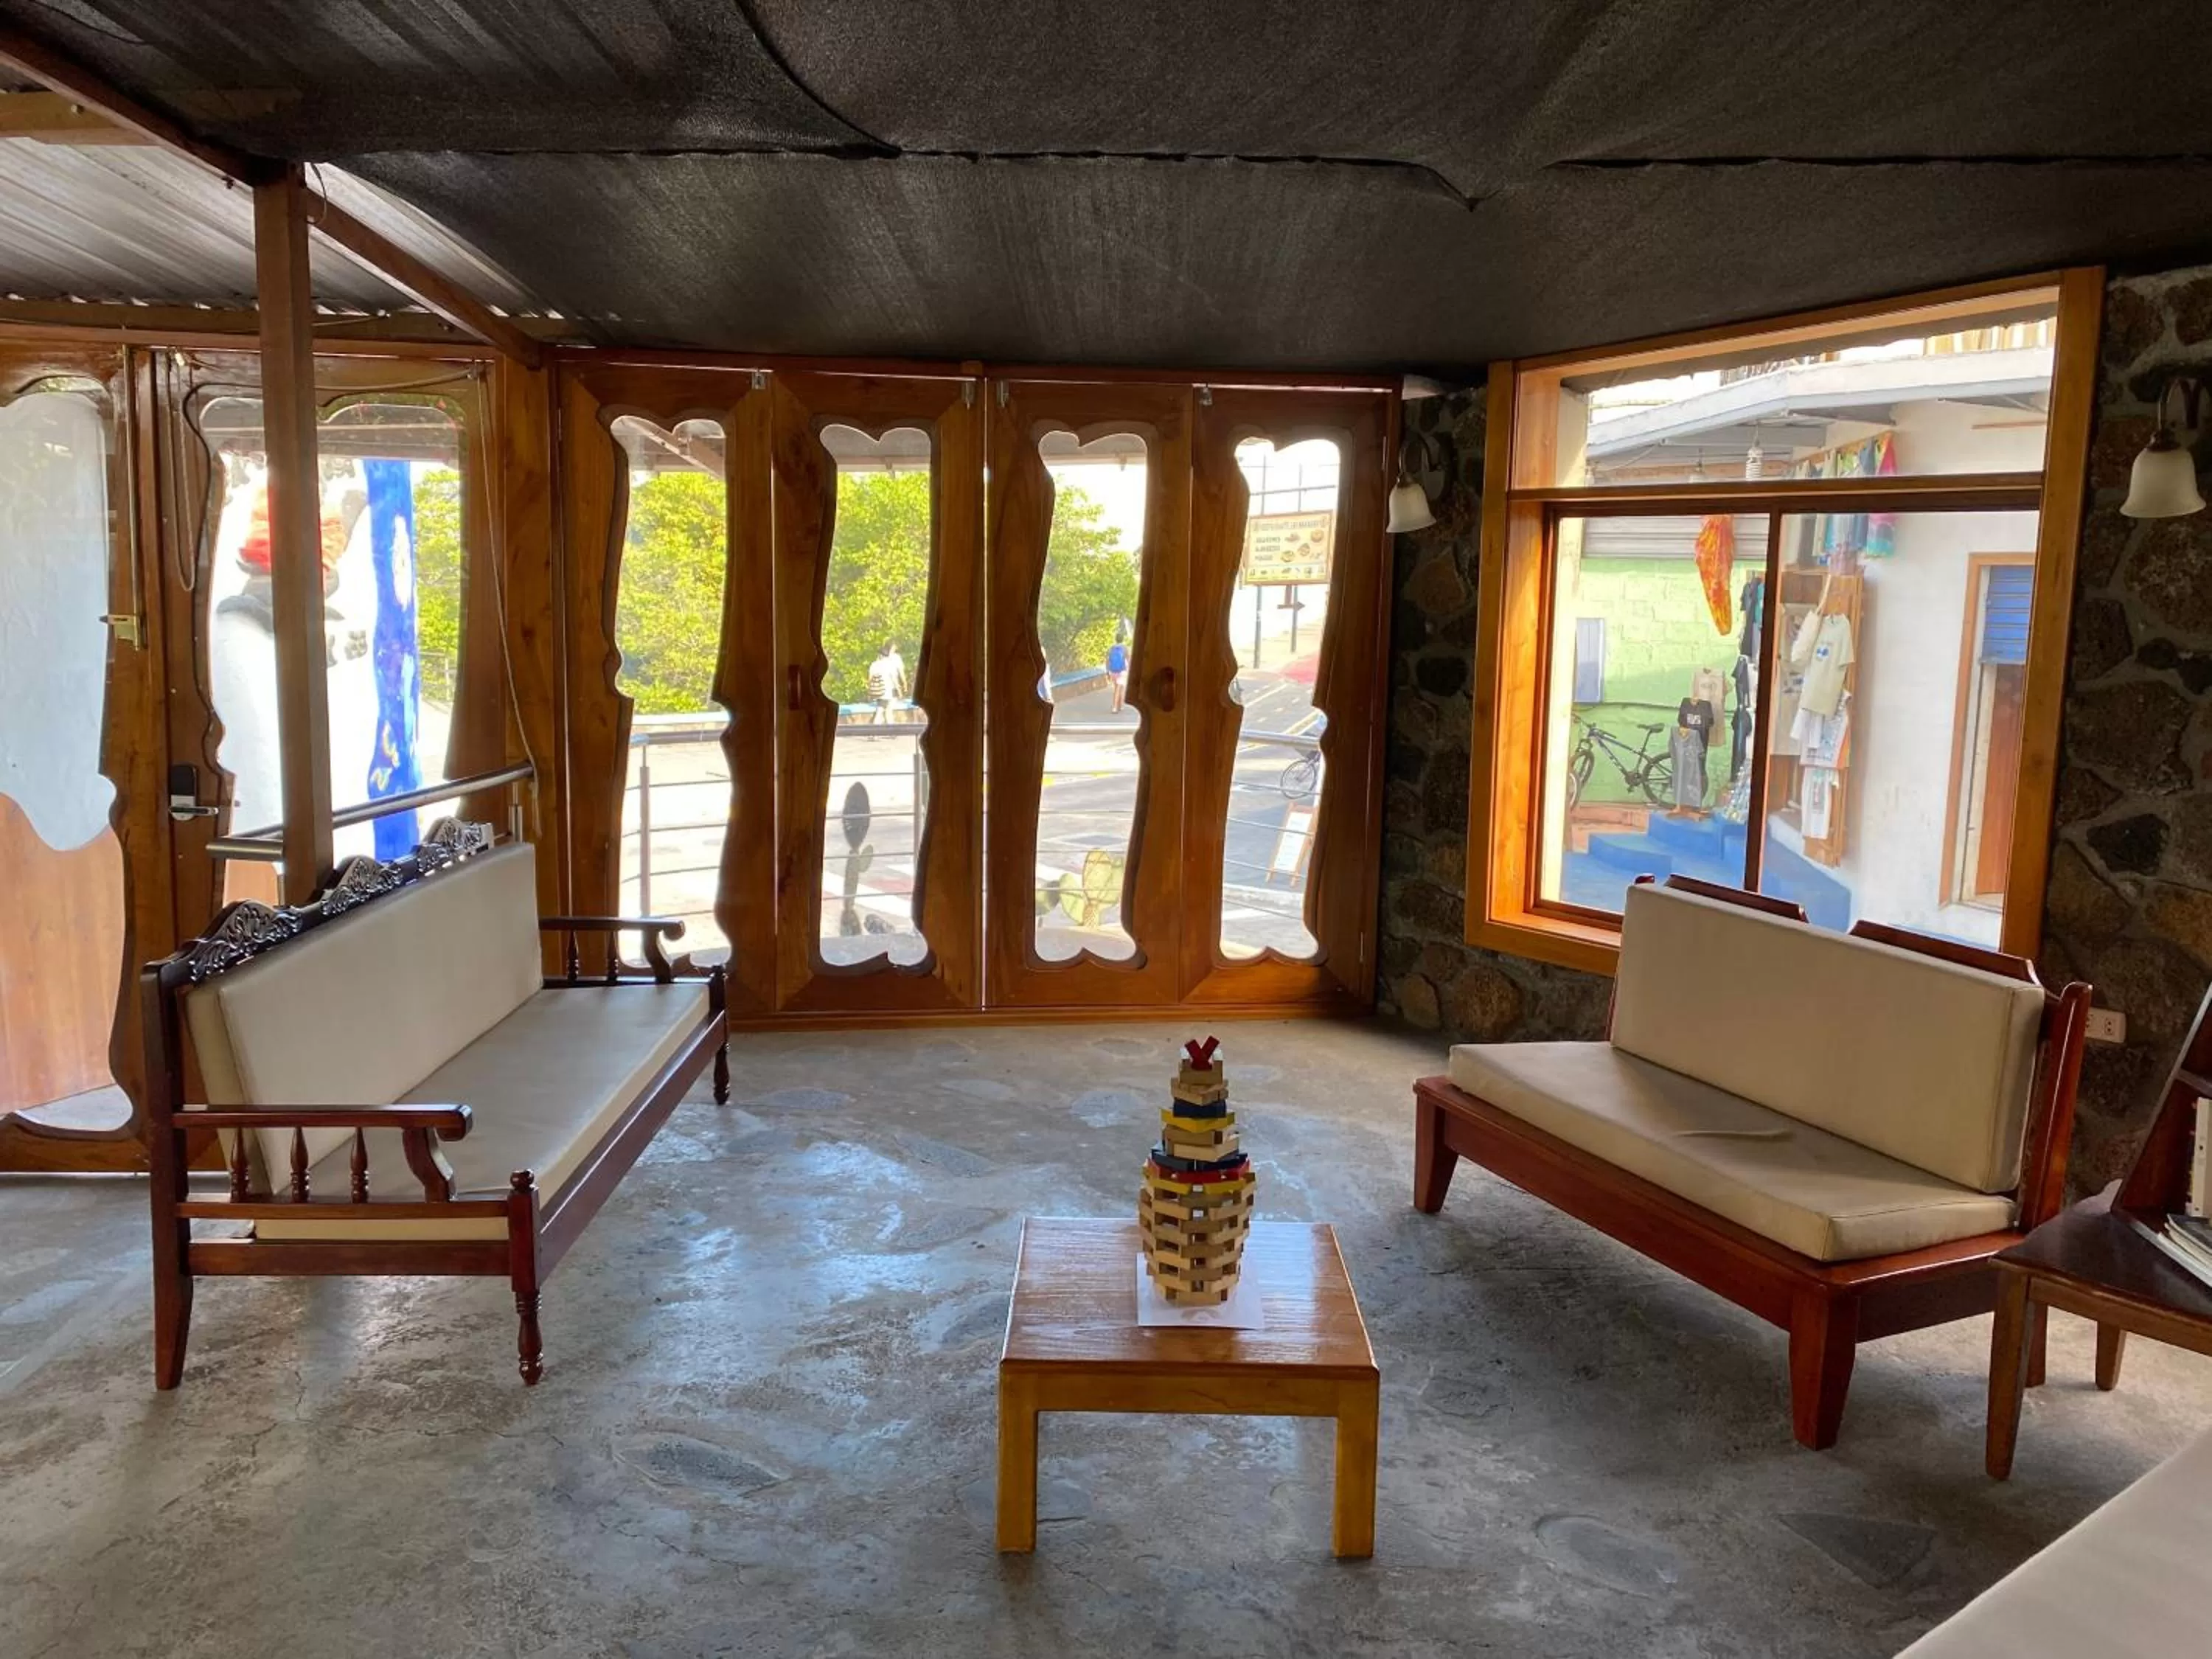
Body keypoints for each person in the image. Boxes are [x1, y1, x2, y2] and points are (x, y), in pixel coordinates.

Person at [866, 640, 907, 723]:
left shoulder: (874, 664)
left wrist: (869, 692)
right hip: (888, 691)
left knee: (880, 709)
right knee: (889, 710)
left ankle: (875, 731)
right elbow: (894, 679)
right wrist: (899, 691)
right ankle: (891, 730)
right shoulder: (889, 665)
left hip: (878, 691)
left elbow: (870, 679)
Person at [1105, 631, 1130, 712]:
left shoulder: (1111, 648)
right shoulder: (1125, 648)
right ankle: (1116, 707)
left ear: (1116, 639)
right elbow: (1128, 659)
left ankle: (1120, 705)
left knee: (1118, 687)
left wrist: (1107, 671)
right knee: (1120, 688)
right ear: (1122, 639)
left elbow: (1107, 660)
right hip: (1122, 671)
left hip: (1113, 671)